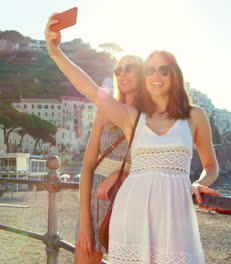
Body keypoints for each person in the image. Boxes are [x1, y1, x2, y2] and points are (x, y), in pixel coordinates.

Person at [45, 15, 221, 264]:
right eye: (151, 70)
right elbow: (91, 89)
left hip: (176, 214)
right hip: (132, 211)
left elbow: (211, 165)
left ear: (175, 75)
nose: (157, 75)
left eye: (164, 69)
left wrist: (201, 183)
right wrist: (56, 53)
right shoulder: (132, 117)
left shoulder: (195, 115)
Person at [74, 54, 144, 264]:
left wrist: (122, 173)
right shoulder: (104, 111)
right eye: (117, 70)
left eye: (129, 68)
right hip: (97, 200)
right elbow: (87, 168)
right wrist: (85, 223)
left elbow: (155, 164)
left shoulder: (151, 117)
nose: (122, 74)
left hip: (131, 201)